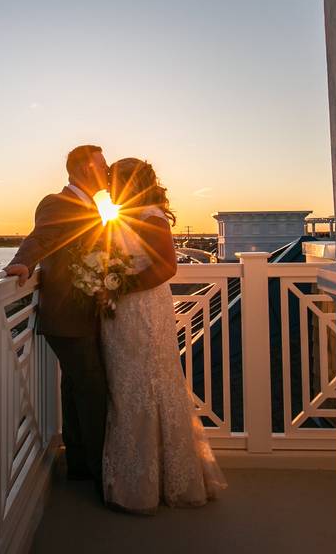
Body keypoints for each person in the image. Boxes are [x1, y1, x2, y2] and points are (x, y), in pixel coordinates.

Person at [101, 157, 226, 513]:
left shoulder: (151, 216)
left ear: (129, 182)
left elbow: (167, 266)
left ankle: (146, 484)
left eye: (113, 178)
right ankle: (139, 478)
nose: (108, 183)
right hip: (122, 311)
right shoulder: (125, 215)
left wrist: (119, 286)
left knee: (145, 385)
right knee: (125, 388)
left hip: (141, 310)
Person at [4, 144, 110, 489]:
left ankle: (79, 464)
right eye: (102, 166)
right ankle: (100, 472)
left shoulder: (90, 206)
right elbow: (41, 236)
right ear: (82, 169)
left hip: (83, 313)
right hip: (66, 314)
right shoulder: (57, 202)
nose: (107, 172)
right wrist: (23, 261)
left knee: (77, 387)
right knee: (93, 391)